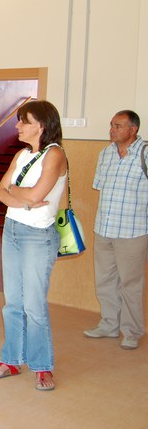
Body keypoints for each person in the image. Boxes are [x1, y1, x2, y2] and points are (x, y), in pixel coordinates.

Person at [0, 100, 67, 392]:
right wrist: (24, 199)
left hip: (38, 236)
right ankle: (11, 360)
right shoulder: (21, 155)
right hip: (12, 230)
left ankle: (42, 366)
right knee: (12, 304)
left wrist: (18, 193)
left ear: (41, 126)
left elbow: (33, 194)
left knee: (34, 305)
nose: (18, 126)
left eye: (24, 121)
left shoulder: (55, 154)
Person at [84, 110, 148, 350]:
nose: (112, 130)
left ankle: (131, 331)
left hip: (133, 231)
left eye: (118, 126)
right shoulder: (106, 153)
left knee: (130, 284)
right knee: (105, 280)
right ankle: (109, 325)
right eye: (111, 125)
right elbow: (101, 187)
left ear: (133, 129)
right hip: (104, 228)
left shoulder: (145, 153)